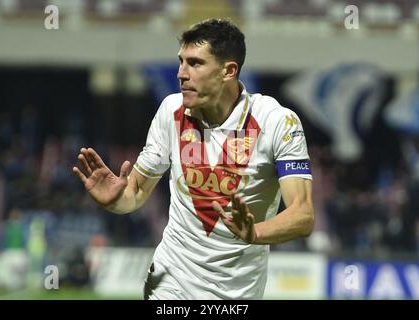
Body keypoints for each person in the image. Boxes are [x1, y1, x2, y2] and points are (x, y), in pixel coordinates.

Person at [73, 18, 314, 299]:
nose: (181, 74)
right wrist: (115, 200)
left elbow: (303, 215)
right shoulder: (171, 111)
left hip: (238, 292)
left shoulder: (277, 122)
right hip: (171, 280)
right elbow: (136, 191)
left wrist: (255, 233)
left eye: (195, 63)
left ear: (228, 70)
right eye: (181, 61)